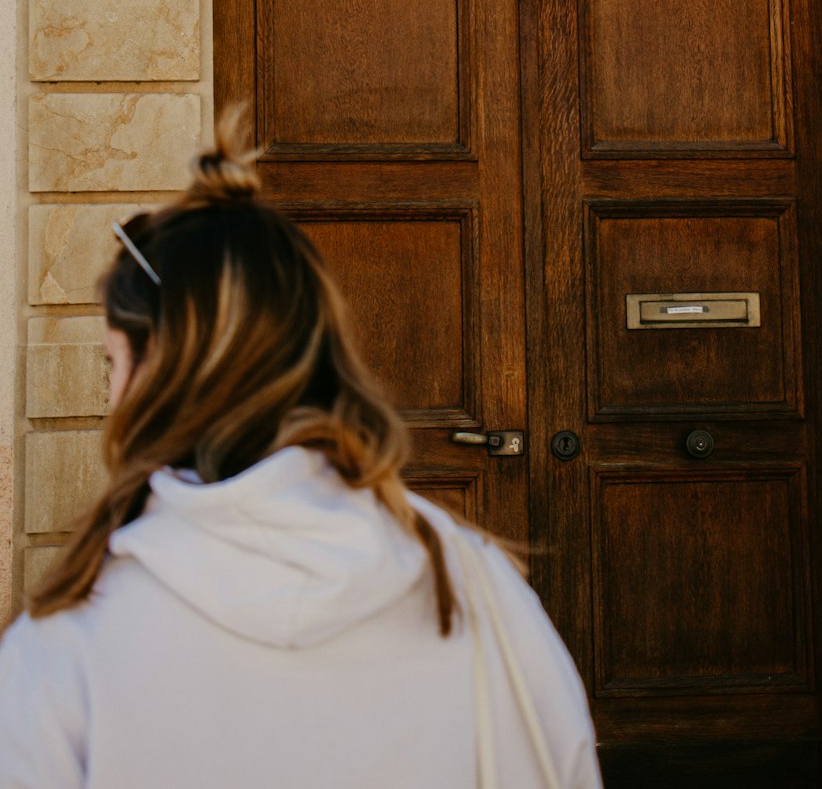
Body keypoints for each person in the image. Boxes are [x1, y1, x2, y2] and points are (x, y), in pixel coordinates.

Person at [0, 126, 601, 788]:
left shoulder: (67, 640)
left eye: (114, 362)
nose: (112, 398)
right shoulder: (477, 589)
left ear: (165, 375)